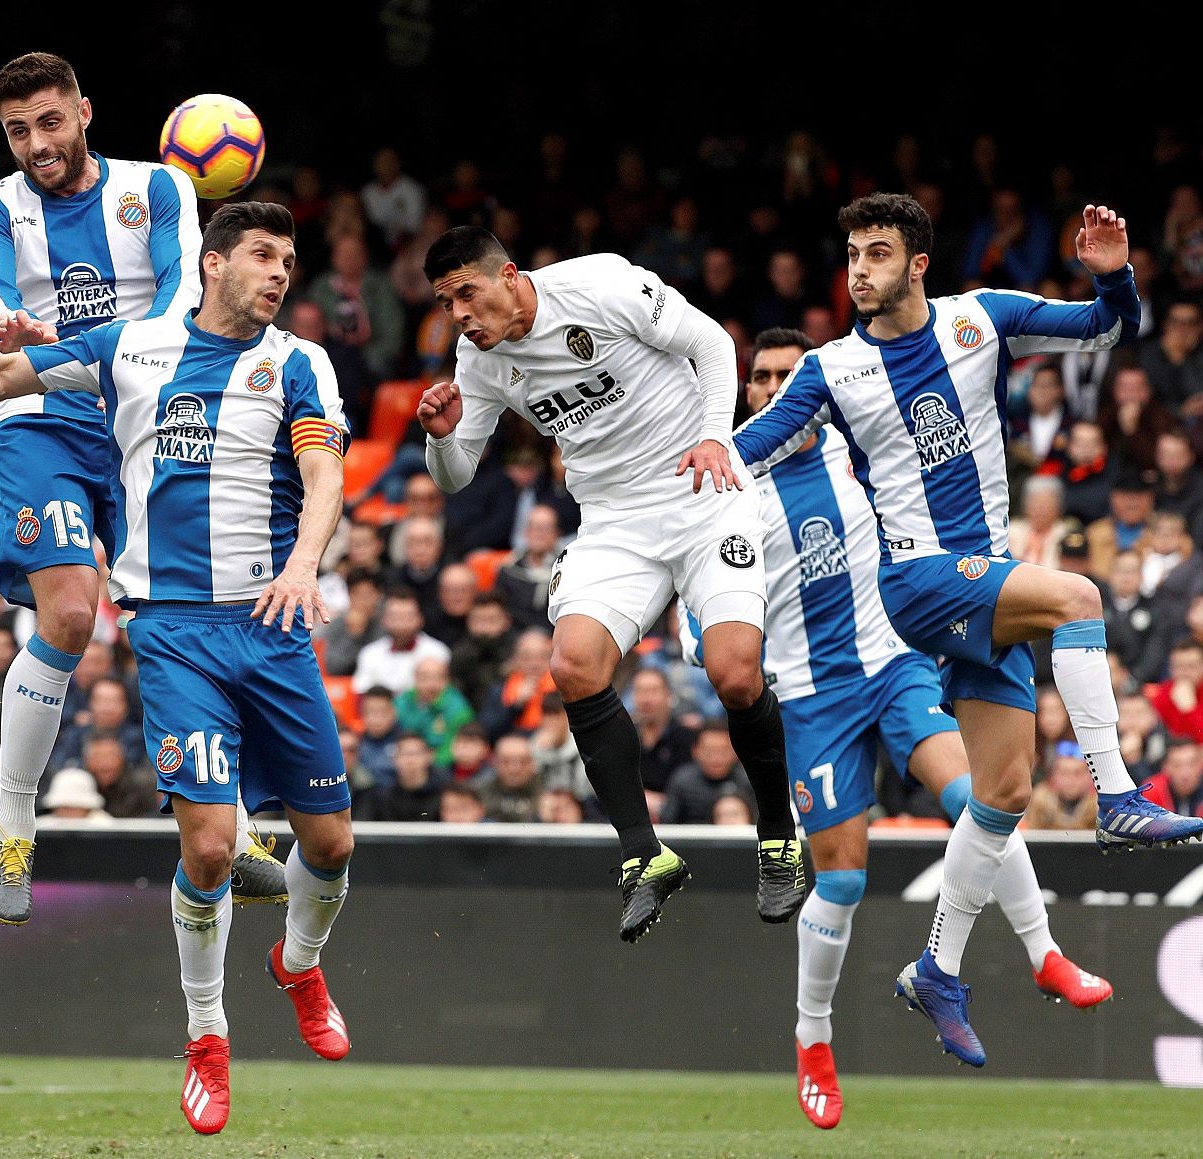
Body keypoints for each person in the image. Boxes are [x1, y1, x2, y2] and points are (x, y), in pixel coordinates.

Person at [0, 201, 354, 1135]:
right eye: (263, 257)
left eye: (290, 261)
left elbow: (323, 475)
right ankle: (206, 1035)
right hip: (174, 633)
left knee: (332, 847)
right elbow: (0, 374)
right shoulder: (130, 346)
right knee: (206, 846)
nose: (280, 274)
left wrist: (306, 562)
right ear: (215, 262)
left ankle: (301, 966)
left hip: (273, 628)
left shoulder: (299, 363)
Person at [732, 195, 1199, 1068]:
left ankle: (937, 968)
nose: (857, 268)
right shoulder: (830, 369)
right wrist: (683, 464)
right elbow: (752, 445)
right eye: (851, 253)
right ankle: (1118, 796)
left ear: (916, 264)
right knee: (1079, 596)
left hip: (981, 585)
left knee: (1006, 791)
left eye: (876, 252)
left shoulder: (983, 318)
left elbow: (1105, 329)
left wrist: (1113, 274)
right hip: (916, 579)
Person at [714, 327, 1110, 1129]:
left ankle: (1044, 954)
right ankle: (813, 1040)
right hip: (814, 695)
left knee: (983, 797)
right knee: (845, 878)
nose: (775, 388)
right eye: (763, 378)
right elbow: (708, 608)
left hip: (898, 668)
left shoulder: (862, 453)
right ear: (751, 392)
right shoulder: (731, 492)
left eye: (790, 376)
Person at [0, 51, 281, 923]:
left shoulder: (160, 190)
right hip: (42, 421)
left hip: (146, 414)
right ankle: (13, 824)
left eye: (50, 122)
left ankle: (238, 820)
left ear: (86, 112)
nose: (36, 144)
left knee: (190, 619)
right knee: (67, 614)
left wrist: (66, 352)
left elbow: (183, 297)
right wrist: (14, 338)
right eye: (18, 131)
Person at [417, 225, 804, 943]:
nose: (461, 314)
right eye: (447, 302)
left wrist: (717, 433)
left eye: (468, 292)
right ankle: (644, 855)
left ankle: (780, 836)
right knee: (572, 664)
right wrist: (442, 437)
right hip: (613, 521)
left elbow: (714, 344)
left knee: (735, 674)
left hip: (701, 489)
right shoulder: (478, 359)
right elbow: (456, 475)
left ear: (507, 274)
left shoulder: (600, 285)